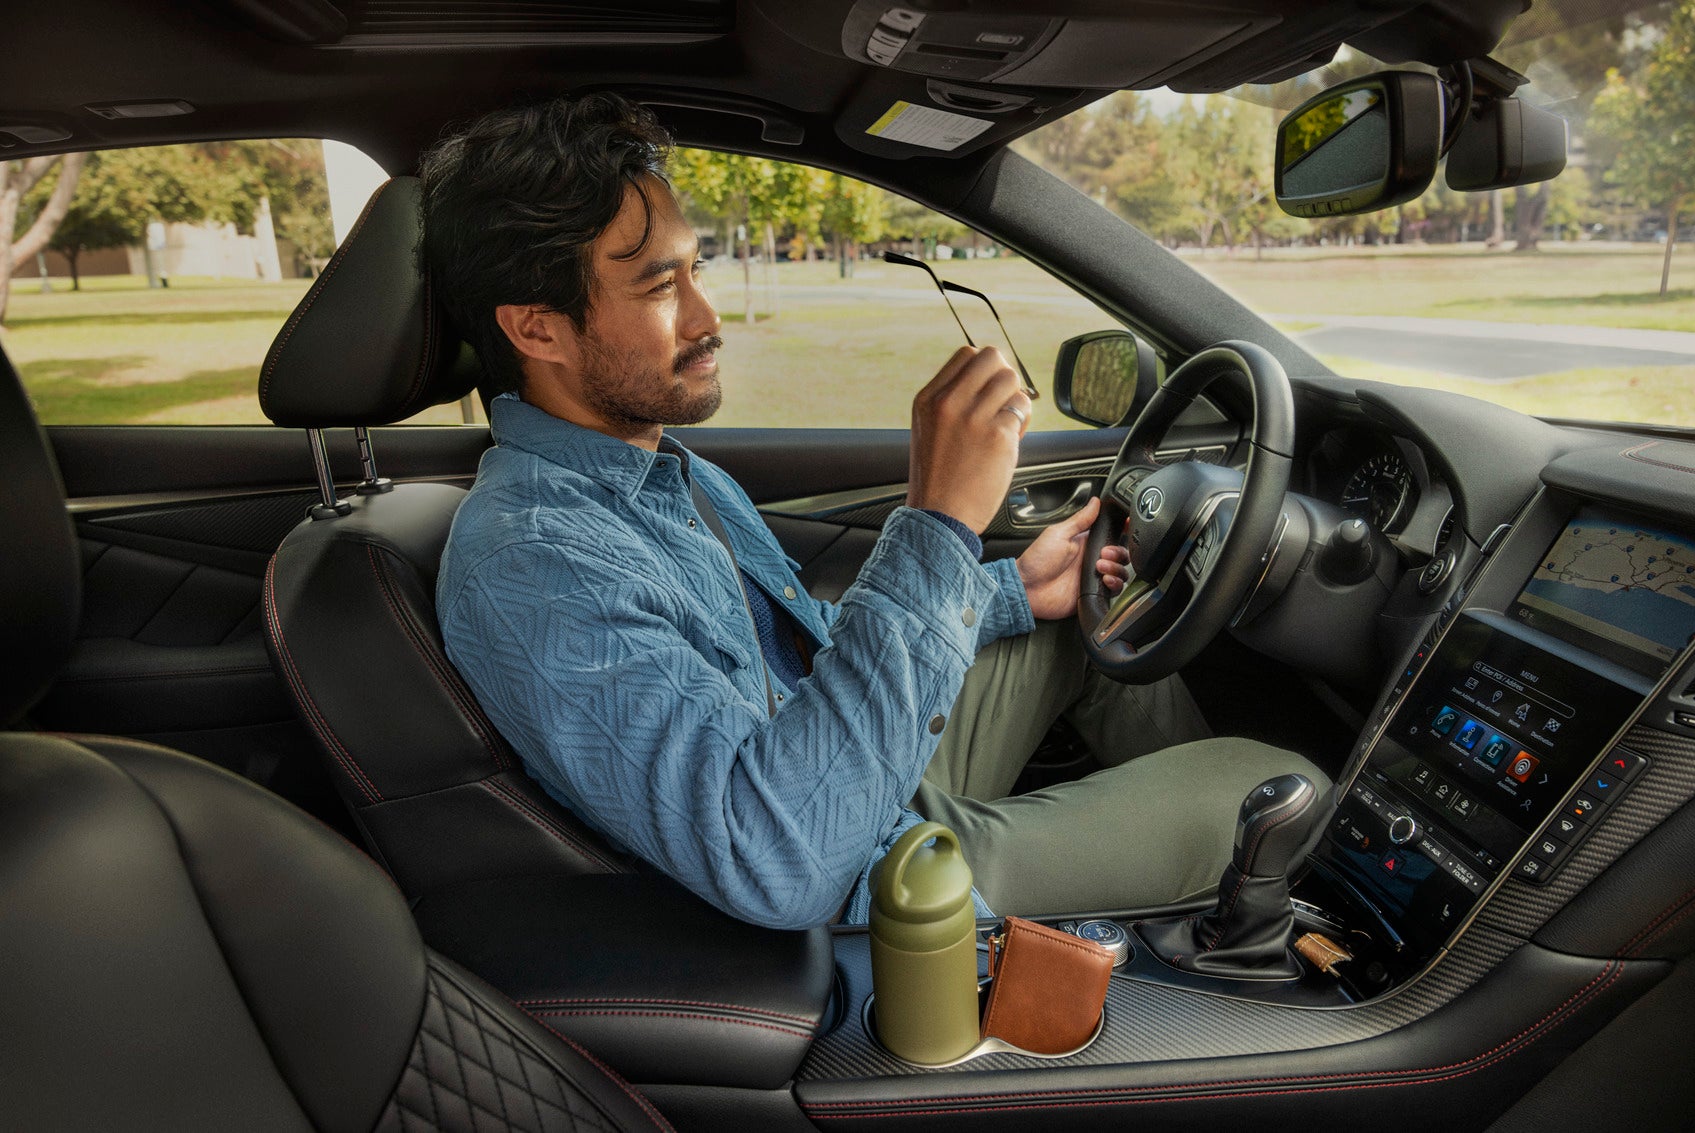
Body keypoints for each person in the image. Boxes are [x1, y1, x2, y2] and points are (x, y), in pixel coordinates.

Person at [427, 94, 1323, 930]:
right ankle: (1207, 887)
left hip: (849, 776)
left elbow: (800, 652)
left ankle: (1177, 921)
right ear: (536, 329)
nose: (708, 316)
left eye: (695, 270)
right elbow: (777, 855)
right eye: (662, 288)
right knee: (1278, 782)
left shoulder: (660, 470)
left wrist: (1008, 590)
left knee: (1082, 621)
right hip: (858, 869)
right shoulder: (536, 561)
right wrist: (936, 523)